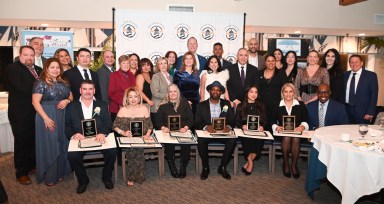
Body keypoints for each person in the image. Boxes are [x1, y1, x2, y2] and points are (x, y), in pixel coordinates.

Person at [65, 80, 116, 194]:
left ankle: (106, 177)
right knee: (72, 156)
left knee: (112, 151)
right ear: (80, 90)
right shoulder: (71, 106)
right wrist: (74, 135)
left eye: (90, 89)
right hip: (80, 138)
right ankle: (83, 180)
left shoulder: (102, 105)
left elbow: (108, 123)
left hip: (99, 137)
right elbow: (67, 125)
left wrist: (103, 133)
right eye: (84, 89)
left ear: (94, 91)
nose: (87, 92)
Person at [32, 58, 73, 186]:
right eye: (52, 67)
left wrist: (67, 101)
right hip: (47, 115)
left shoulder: (64, 82)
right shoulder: (40, 82)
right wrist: (46, 118)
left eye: (57, 67)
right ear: (46, 68)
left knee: (61, 142)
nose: (55, 70)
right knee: (50, 145)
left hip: (62, 115)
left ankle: (59, 173)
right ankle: (50, 176)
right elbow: (35, 102)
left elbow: (71, 96)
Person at [6, 45, 42, 185]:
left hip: (37, 113)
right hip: (20, 113)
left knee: (33, 140)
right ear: (20, 55)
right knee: (22, 142)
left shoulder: (38, 70)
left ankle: (32, 165)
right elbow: (21, 88)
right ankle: (21, 172)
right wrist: (43, 89)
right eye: (25, 54)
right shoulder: (12, 69)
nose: (29, 57)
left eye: (31, 55)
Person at [194, 81, 236, 180]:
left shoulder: (226, 104)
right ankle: (205, 167)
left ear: (221, 92)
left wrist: (228, 127)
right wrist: (206, 127)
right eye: (213, 89)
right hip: (208, 133)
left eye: (218, 90)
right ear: (209, 91)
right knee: (201, 140)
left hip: (223, 133)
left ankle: (222, 166)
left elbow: (232, 120)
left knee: (232, 140)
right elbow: (197, 122)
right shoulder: (201, 105)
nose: (215, 91)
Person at [113, 87, 153, 186]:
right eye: (130, 97)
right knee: (133, 148)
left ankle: (135, 175)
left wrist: (147, 134)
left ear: (139, 98)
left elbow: (150, 125)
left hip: (143, 137)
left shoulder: (144, 108)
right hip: (128, 138)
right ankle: (134, 176)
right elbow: (115, 126)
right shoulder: (122, 110)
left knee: (138, 147)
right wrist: (123, 133)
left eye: (135, 96)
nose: (133, 99)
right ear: (126, 98)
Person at [271, 83, 309, 179]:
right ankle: (286, 163)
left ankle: (294, 165)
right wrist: (276, 127)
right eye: (286, 92)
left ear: (294, 93)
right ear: (282, 93)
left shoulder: (301, 104)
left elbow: (306, 120)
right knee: (287, 138)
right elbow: (271, 121)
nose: (288, 94)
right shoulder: (277, 104)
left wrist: (302, 127)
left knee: (295, 138)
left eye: (290, 91)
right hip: (282, 133)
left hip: (298, 133)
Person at [156, 84, 194, 178]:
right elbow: (158, 121)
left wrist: (185, 128)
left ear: (178, 93)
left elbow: (191, 119)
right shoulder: (163, 106)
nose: (172, 93)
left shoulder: (185, 103)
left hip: (183, 131)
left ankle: (183, 165)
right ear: (168, 94)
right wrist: (163, 128)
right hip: (168, 132)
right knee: (169, 143)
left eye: (174, 91)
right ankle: (171, 163)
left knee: (186, 143)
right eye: (170, 91)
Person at [235, 85, 266, 175]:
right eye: (251, 92)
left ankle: (248, 162)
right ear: (247, 93)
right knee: (247, 139)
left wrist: (262, 126)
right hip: (245, 132)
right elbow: (237, 121)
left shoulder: (261, 105)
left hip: (258, 132)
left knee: (259, 140)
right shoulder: (241, 106)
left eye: (256, 92)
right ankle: (251, 162)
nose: (253, 94)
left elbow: (265, 120)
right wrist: (242, 126)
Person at [342, 54, 378, 124]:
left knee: (363, 133)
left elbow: (374, 94)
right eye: (352, 62)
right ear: (349, 64)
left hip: (363, 112)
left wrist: (370, 112)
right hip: (346, 111)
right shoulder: (345, 75)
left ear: (361, 63)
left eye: (356, 62)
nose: (354, 64)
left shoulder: (371, 76)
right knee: (348, 131)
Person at [257, 54, 287, 131]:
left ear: (275, 62)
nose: (271, 63)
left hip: (276, 104)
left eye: (273, 61)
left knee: (273, 125)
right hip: (261, 104)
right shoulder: (259, 73)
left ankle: (272, 141)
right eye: (268, 61)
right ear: (265, 63)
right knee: (262, 125)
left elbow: (285, 88)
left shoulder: (281, 73)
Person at [108, 55, 135, 122]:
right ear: (120, 64)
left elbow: (134, 91)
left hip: (131, 107)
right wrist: (124, 103)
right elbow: (111, 93)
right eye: (124, 63)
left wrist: (131, 102)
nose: (126, 65)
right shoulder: (114, 75)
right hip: (117, 108)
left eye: (128, 63)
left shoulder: (131, 75)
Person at [150, 57, 173, 125]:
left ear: (168, 65)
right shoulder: (156, 76)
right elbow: (155, 93)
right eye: (161, 63)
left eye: (165, 63)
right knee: (158, 130)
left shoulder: (170, 77)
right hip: (158, 107)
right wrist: (169, 97)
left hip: (168, 107)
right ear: (158, 66)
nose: (163, 65)